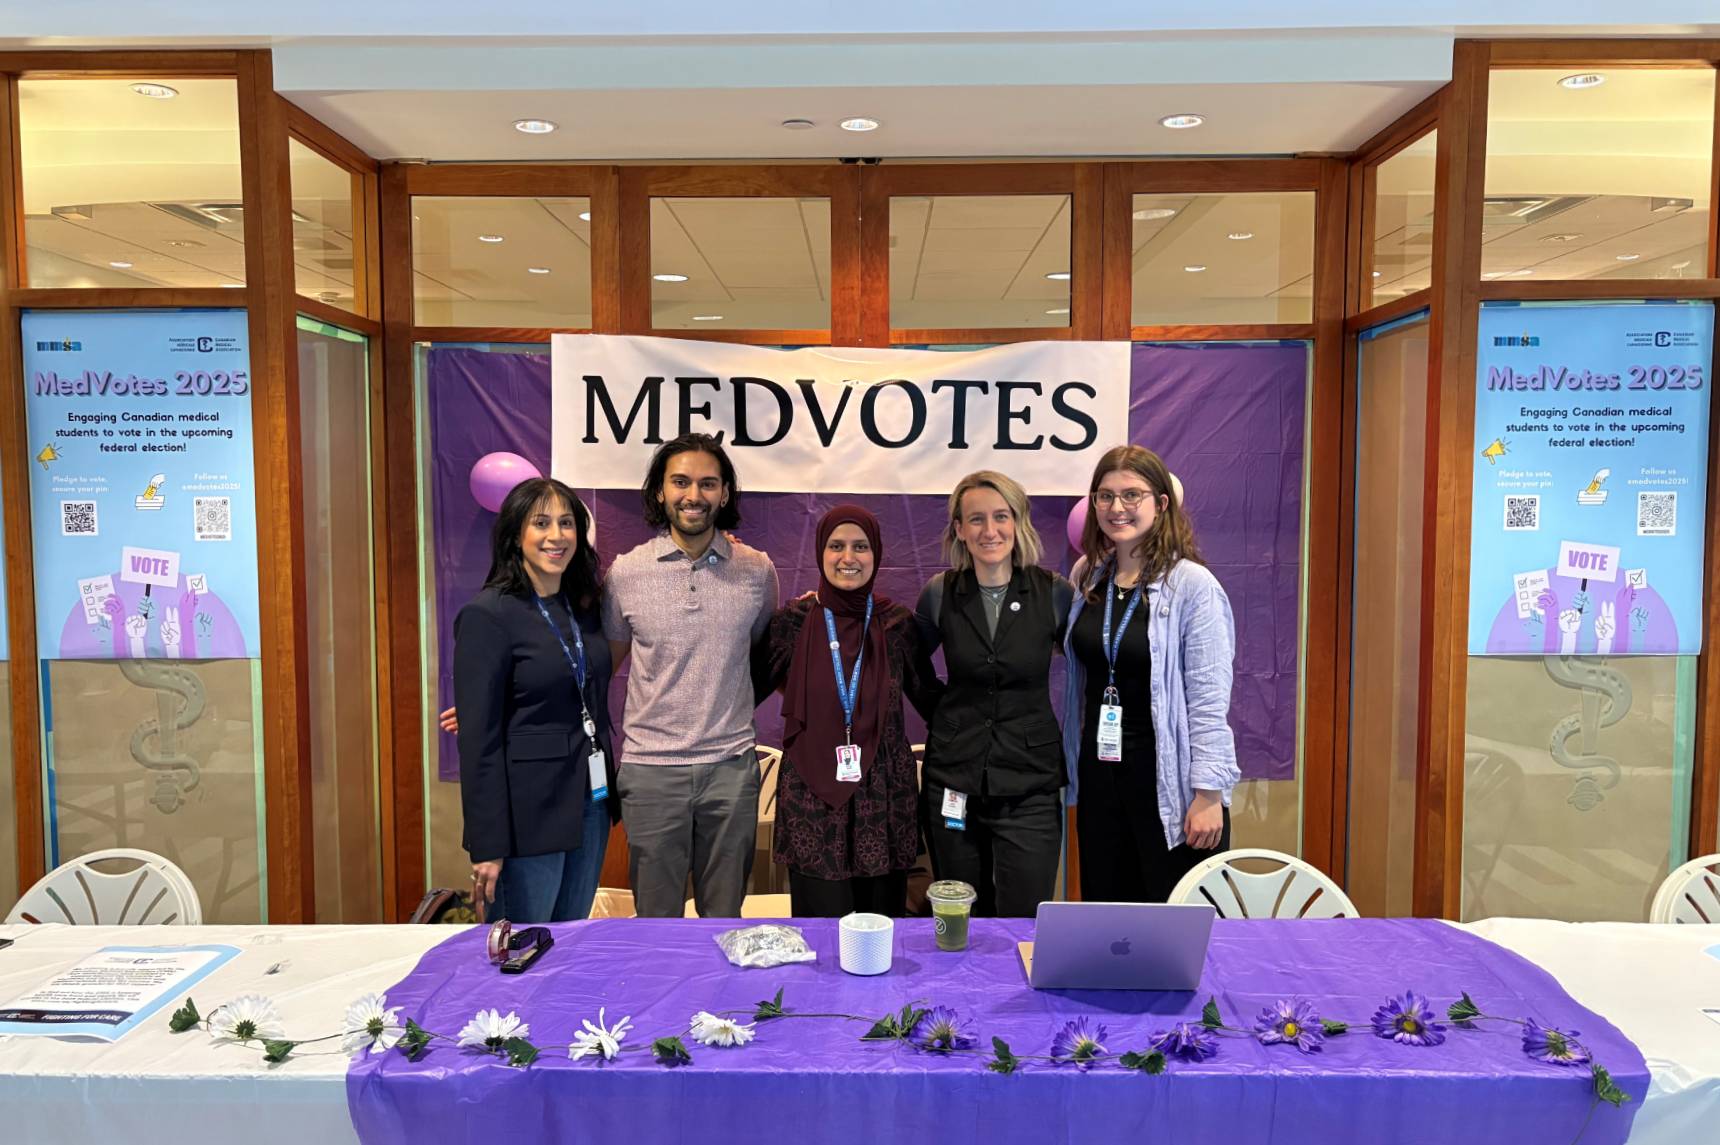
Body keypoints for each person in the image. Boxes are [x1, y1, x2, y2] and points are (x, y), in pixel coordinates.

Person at [601, 433, 780, 917]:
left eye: (707, 483)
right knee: (655, 925)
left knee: (724, 920)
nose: (693, 495)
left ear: (724, 493)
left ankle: (719, 999)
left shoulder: (757, 571)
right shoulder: (625, 574)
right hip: (651, 773)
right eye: (680, 482)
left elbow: (762, 661)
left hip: (730, 770)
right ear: (660, 491)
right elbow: (600, 671)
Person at [1062, 444, 1238, 903]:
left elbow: (1208, 699)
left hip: (1168, 784)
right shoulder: (1087, 576)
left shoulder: (1192, 587)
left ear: (1161, 504)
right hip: (1101, 778)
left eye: (1131, 495)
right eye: (1105, 495)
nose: (1116, 507)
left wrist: (1208, 794)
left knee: (1171, 929)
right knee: (1109, 921)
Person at [754, 505, 942, 917]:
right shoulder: (793, 622)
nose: (848, 557)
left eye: (860, 546)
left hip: (884, 798)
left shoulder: (896, 624)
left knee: (879, 932)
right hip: (812, 802)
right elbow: (742, 692)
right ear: (821, 552)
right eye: (836, 546)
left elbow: (933, 701)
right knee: (821, 933)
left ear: (876, 554)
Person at [452, 477, 615, 924]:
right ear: (515, 535)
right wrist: (488, 845)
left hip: (590, 801)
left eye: (566, 523)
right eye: (540, 523)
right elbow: (479, 742)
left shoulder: (581, 608)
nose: (556, 535)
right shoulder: (488, 615)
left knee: (571, 940)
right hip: (527, 815)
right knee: (522, 951)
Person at [915, 471, 1074, 919]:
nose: (990, 531)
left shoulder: (1054, 594)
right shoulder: (939, 594)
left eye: (1001, 516)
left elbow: (1091, 667)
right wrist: (945, 716)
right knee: (960, 918)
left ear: (1018, 521)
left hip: (1030, 786)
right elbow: (906, 666)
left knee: (1024, 918)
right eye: (976, 519)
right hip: (954, 781)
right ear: (960, 530)